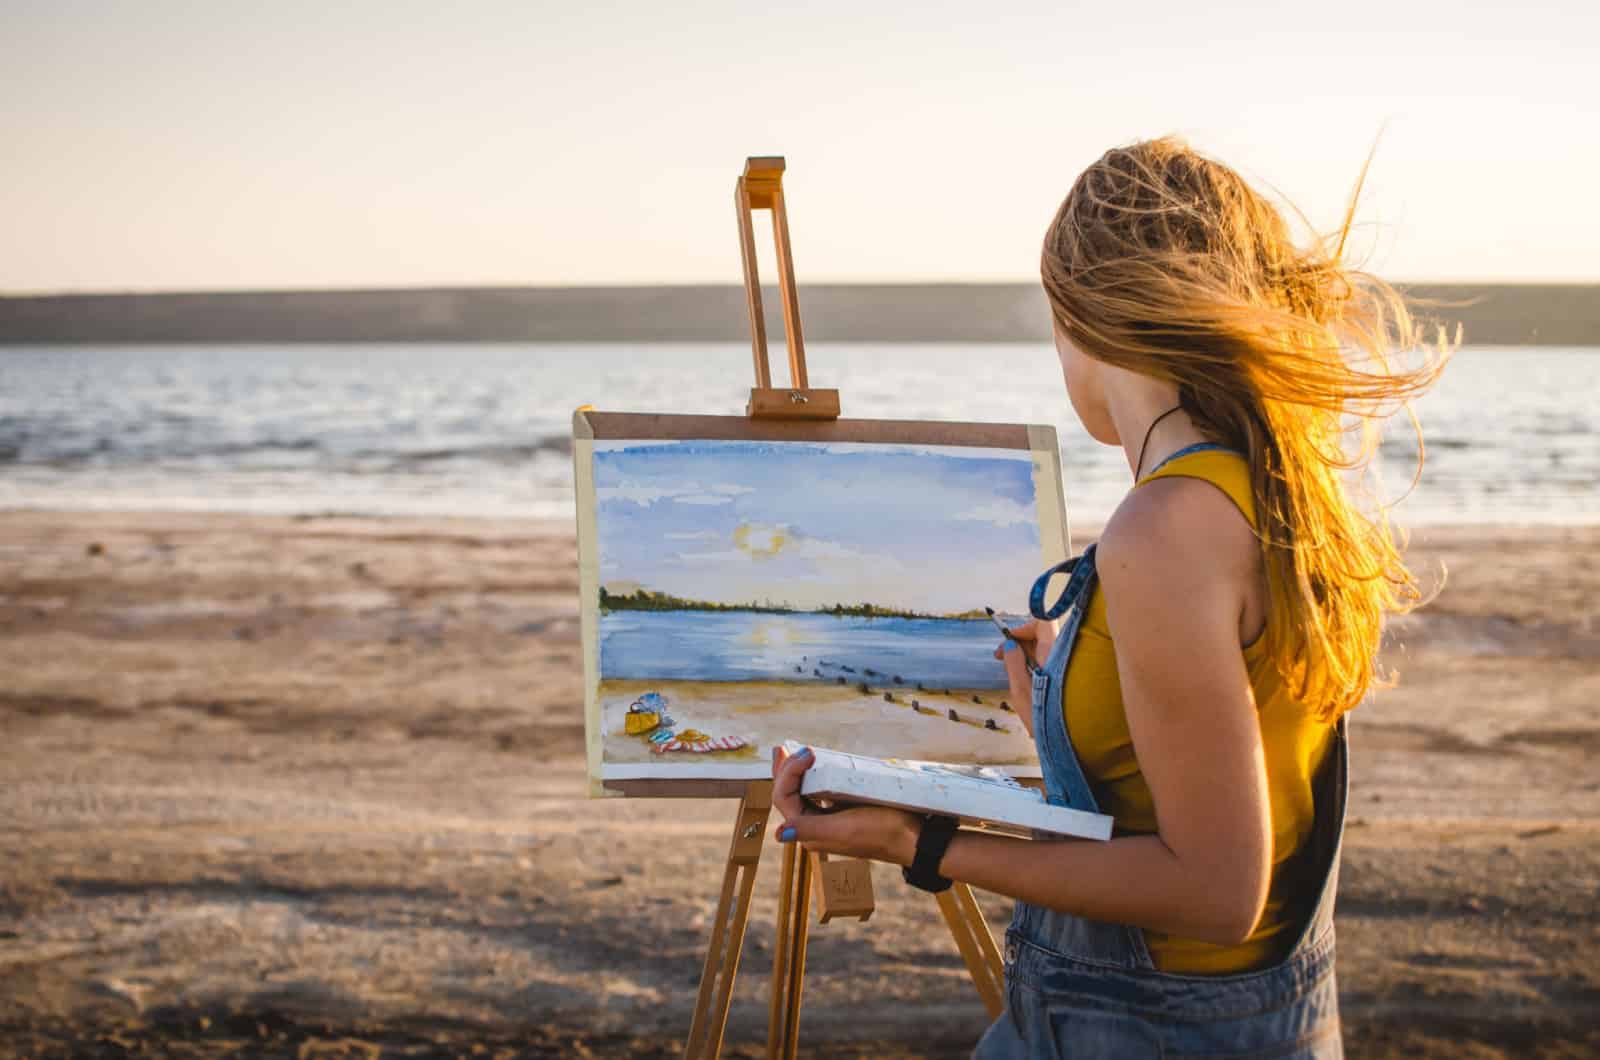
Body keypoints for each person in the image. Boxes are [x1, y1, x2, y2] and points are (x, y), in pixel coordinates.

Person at [767, 135, 1456, 1058]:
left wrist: (921, 846)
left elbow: (1215, 890)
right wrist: (1060, 704)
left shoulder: (1167, 527)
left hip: (1148, 1029)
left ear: (1086, 320)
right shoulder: (1263, 489)